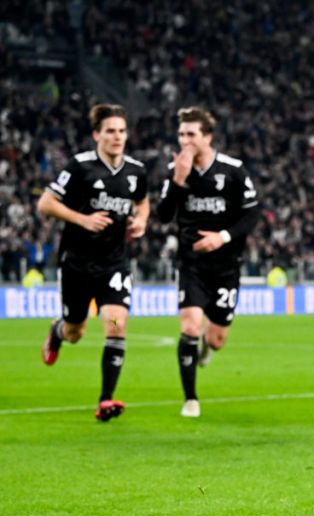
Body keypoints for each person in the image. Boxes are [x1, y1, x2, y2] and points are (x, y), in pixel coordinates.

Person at [38, 103, 149, 421]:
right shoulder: (80, 167)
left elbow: (142, 202)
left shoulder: (135, 171)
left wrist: (141, 221)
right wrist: (82, 220)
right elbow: (45, 203)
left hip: (114, 267)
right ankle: (58, 331)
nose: (117, 137)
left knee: (116, 325)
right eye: (110, 131)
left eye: (122, 131)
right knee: (76, 332)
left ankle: (106, 400)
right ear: (97, 135)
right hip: (76, 265)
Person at [156, 107, 260, 418]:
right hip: (192, 265)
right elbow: (163, 216)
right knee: (189, 325)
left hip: (226, 266)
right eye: (181, 134)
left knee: (216, 340)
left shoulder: (232, 171)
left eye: (191, 135)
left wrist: (223, 236)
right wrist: (178, 180)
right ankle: (191, 399)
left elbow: (252, 213)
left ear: (208, 138)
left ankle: (205, 346)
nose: (184, 140)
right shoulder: (176, 171)